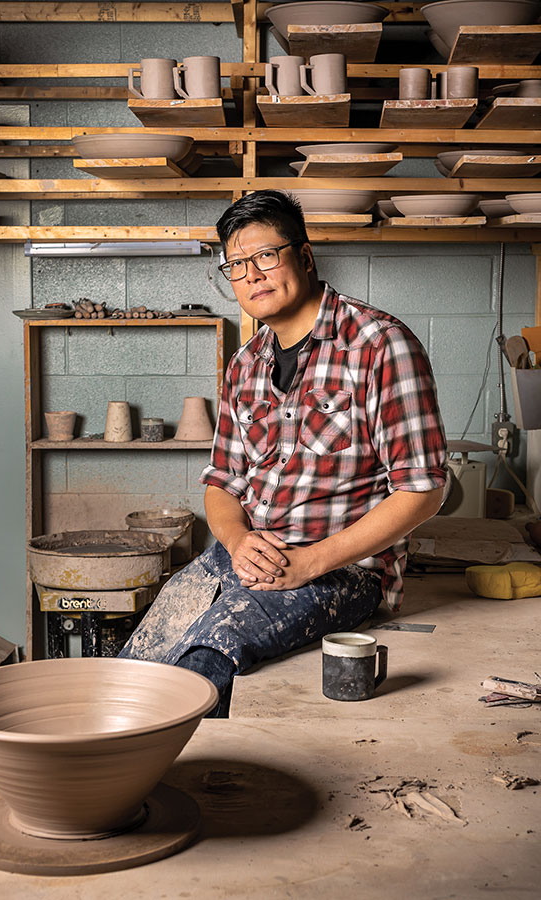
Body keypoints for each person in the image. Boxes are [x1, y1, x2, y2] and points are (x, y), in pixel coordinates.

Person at [119, 190, 447, 715]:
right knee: (137, 664)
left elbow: (423, 490)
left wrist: (309, 563)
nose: (252, 275)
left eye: (266, 256)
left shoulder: (380, 344)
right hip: (251, 554)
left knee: (205, 658)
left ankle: (192, 787)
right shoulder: (246, 364)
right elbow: (222, 482)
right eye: (236, 265)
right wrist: (239, 538)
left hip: (343, 570)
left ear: (305, 255)